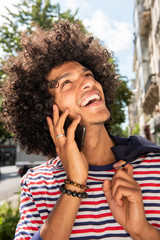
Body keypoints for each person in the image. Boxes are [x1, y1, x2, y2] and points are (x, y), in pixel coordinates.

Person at [1, 21, 160, 240]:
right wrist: (75, 183)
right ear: (46, 109)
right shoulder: (37, 184)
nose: (88, 83)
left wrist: (142, 230)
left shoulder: (155, 164)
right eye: (66, 83)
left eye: (89, 75)